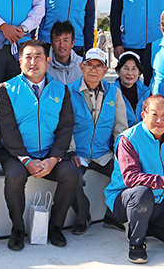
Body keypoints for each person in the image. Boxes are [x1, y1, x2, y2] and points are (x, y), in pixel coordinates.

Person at [0, 39, 78, 250]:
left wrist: (53, 159)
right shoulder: (7, 89)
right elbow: (7, 129)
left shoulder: (61, 90)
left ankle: (55, 227)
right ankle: (17, 229)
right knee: (14, 178)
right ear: (20, 61)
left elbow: (66, 127)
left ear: (48, 60)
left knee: (71, 174)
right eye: (28, 57)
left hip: (50, 153)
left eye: (38, 56)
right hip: (17, 154)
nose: (34, 62)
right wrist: (25, 160)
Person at [105, 95, 164, 264]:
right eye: (154, 114)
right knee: (142, 193)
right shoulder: (129, 139)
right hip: (127, 200)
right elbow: (131, 178)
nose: (160, 120)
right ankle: (137, 244)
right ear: (144, 115)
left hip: (159, 202)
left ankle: (142, 224)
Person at [67, 48, 128, 235]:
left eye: (98, 66)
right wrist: (72, 152)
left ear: (105, 70)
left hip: (104, 153)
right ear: (81, 67)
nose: (93, 70)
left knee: (127, 174)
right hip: (78, 153)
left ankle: (112, 216)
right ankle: (83, 215)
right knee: (71, 178)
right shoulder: (68, 92)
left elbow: (120, 127)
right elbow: (64, 127)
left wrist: (120, 154)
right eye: (89, 65)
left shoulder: (114, 92)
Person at [114, 51, 150, 127]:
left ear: (139, 73)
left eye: (134, 69)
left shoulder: (146, 93)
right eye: (126, 68)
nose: (130, 73)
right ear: (118, 72)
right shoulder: (110, 92)